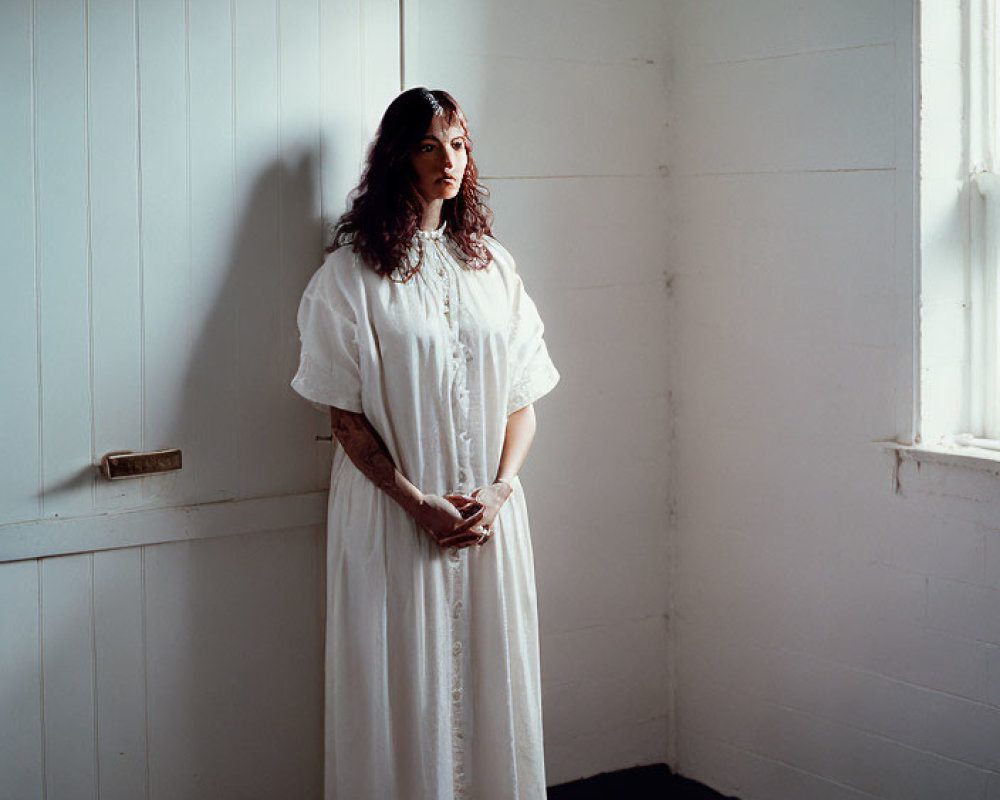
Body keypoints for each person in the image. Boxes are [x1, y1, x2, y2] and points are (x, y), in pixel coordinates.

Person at [291, 87, 560, 800]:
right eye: (428, 145)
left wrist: (499, 492)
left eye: (459, 144)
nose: (449, 160)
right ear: (396, 158)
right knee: (401, 684)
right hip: (392, 517)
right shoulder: (349, 277)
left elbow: (522, 402)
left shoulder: (494, 267)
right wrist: (417, 503)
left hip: (487, 519)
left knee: (491, 682)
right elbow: (342, 417)